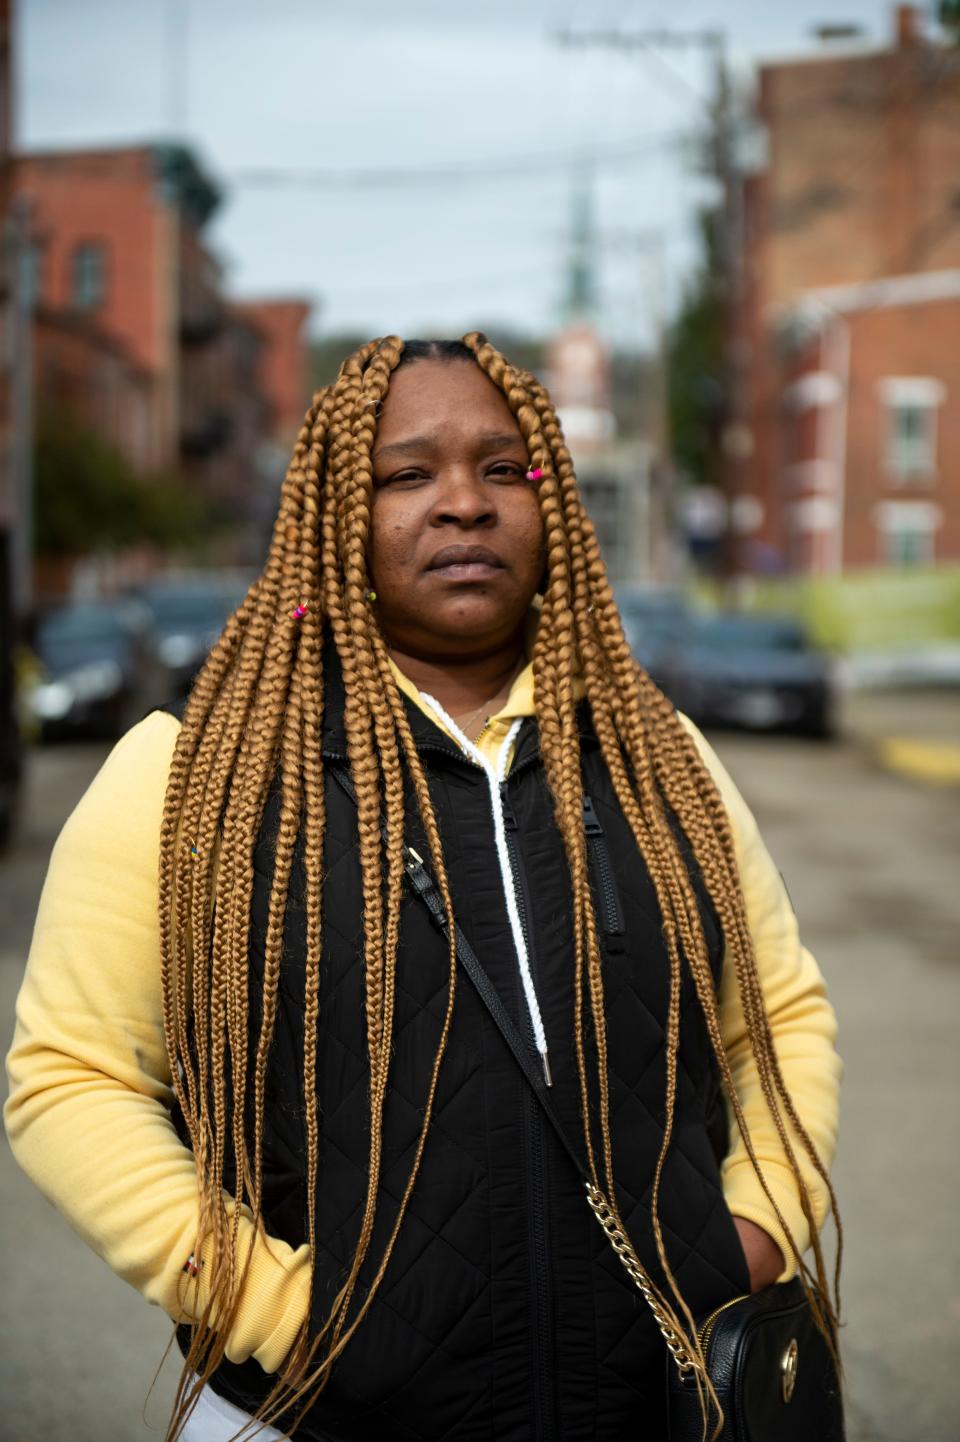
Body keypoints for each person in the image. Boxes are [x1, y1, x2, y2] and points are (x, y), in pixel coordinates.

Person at [5, 335, 841, 1442]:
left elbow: (776, 1019)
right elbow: (73, 1076)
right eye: (408, 473)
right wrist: (279, 1311)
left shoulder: (657, 757)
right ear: (332, 513)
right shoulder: (190, 771)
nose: (465, 504)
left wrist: (752, 1232)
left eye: (507, 469)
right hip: (324, 1414)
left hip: (651, 1404)